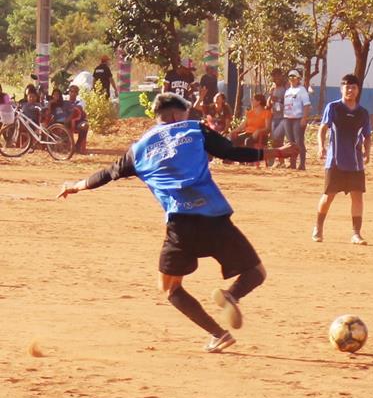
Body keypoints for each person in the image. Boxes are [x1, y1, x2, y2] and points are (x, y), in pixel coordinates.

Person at [56, 93, 288, 353]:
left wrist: (74, 186)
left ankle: (218, 334)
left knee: (169, 288)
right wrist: (275, 152)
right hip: (216, 218)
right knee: (256, 273)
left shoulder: (139, 148)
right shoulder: (195, 129)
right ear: (178, 114)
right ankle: (232, 295)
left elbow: (106, 174)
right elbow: (231, 152)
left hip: (181, 225)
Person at [313, 74, 372, 245]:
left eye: (353, 87)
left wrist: (368, 153)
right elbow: (322, 129)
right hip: (335, 161)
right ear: (341, 89)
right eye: (347, 87)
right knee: (328, 196)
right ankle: (318, 228)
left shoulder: (363, 113)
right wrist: (321, 146)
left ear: (358, 90)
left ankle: (356, 233)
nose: (350, 90)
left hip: (355, 163)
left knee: (358, 197)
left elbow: (367, 136)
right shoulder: (333, 108)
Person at [283, 69, 311, 170]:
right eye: (290, 76)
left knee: (299, 142)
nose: (292, 79)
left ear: (298, 78)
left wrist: (304, 118)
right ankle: (292, 163)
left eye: (294, 77)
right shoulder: (287, 91)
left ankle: (302, 164)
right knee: (291, 142)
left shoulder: (301, 90)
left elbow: (307, 105)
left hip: (298, 119)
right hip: (287, 119)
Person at [267, 68, 288, 163]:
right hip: (274, 116)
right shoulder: (273, 88)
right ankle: (280, 161)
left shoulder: (286, 87)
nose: (275, 78)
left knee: (278, 138)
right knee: (274, 140)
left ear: (281, 76)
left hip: (283, 117)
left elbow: (289, 102)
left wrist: (278, 100)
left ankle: (282, 160)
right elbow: (269, 104)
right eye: (274, 77)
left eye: (277, 76)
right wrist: (270, 99)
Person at [67, 85, 89, 154]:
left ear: (77, 93)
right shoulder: (65, 102)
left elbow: (78, 108)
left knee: (84, 126)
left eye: (75, 92)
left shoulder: (81, 102)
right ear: (69, 92)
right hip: (67, 122)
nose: (73, 93)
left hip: (78, 122)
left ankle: (78, 145)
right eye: (71, 91)